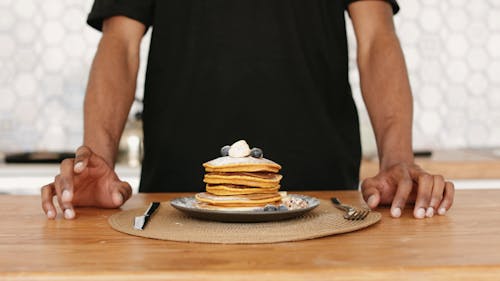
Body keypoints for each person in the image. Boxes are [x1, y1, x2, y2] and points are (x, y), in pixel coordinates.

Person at [41, 0, 454, 220]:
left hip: (326, 208)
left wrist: (398, 160)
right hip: (175, 210)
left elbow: (376, 36)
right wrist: (94, 160)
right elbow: (121, 43)